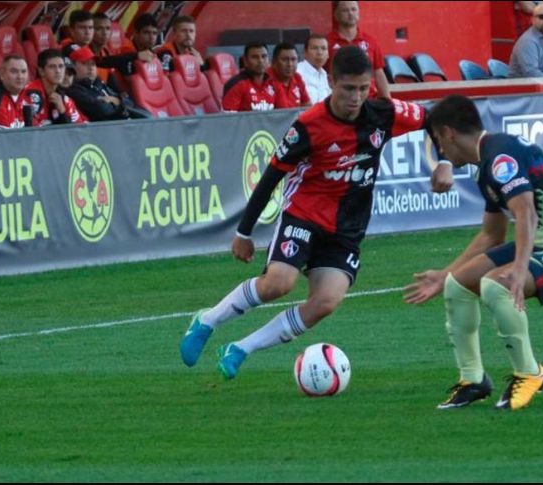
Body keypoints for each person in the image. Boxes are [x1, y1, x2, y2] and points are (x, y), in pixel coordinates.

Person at [181, 46, 454, 380]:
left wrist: (444, 162)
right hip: (304, 216)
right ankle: (207, 321)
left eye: (362, 89)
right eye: (348, 88)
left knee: (325, 302)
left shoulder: (384, 113)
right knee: (277, 284)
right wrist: (244, 232)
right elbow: (271, 176)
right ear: (331, 82)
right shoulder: (309, 126)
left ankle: (241, 348)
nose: (356, 97)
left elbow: (436, 119)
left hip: (347, 229)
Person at [403, 95, 543, 411]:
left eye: (439, 141)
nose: (440, 151)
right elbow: (492, 234)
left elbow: (526, 214)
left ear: (449, 133)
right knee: (459, 284)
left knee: (497, 284)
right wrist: (445, 274)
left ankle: (529, 373)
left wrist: (519, 268)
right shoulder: (489, 160)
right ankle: (473, 380)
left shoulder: (500, 159)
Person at [327, 1, 390, 100]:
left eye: (354, 9)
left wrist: (387, 100)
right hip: (339, 101)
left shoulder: (371, 41)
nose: (350, 13)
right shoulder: (327, 42)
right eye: (345, 10)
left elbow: (379, 73)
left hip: (369, 99)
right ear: (336, 15)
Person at [65, 46, 129, 121]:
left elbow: (128, 103)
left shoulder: (99, 83)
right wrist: (117, 103)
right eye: (84, 63)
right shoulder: (72, 89)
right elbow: (101, 109)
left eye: (93, 64)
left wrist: (115, 100)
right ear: (73, 67)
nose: (90, 68)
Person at [25, 48, 86, 126]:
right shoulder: (29, 93)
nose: (58, 71)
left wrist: (62, 111)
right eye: (52, 67)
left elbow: (77, 130)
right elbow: (31, 132)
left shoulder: (64, 98)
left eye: (61, 66)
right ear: (41, 71)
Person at [222, 42, 275, 112]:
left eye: (264, 56)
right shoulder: (235, 84)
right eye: (255, 57)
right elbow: (229, 119)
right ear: (245, 61)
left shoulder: (273, 83)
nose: (260, 61)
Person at [269, 42, 311, 109]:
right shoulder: (266, 80)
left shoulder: (297, 78)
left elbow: (308, 107)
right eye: (284, 60)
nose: (290, 64)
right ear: (274, 62)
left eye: (293, 59)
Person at [297, 34, 331, 104]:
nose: (319, 53)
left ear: (328, 54)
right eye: (315, 48)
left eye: (323, 48)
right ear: (305, 52)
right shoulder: (297, 72)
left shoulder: (325, 76)